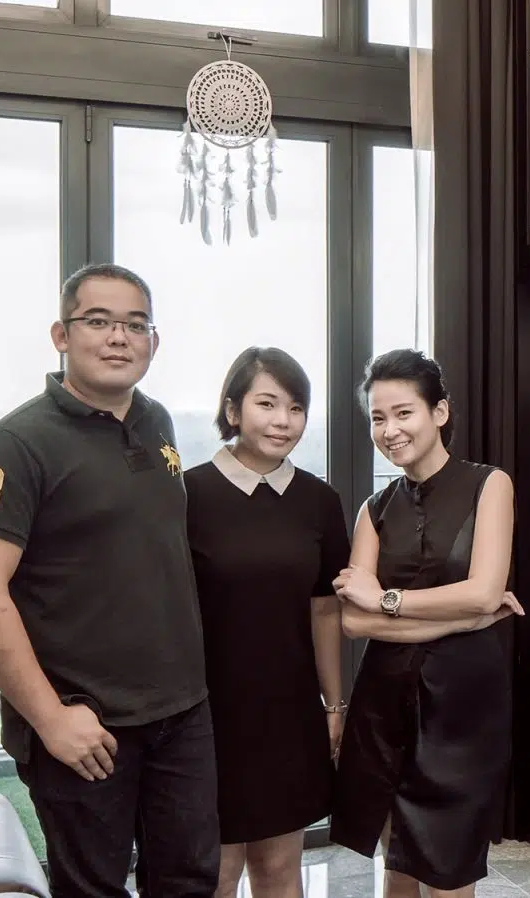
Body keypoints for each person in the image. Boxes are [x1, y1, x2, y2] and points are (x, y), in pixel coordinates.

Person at [0, 262, 218, 898]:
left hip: (181, 714)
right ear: (61, 335)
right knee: (92, 889)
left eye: (135, 324)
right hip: (83, 725)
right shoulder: (15, 444)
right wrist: (50, 719)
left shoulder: (156, 421)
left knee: (190, 882)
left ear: (154, 341)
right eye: (98, 321)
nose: (119, 337)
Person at [329, 349, 523, 898]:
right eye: (378, 418)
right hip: (383, 703)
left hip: (462, 708)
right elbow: (352, 621)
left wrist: (386, 600)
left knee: (448, 872)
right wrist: (464, 619)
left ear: (439, 412)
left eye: (403, 413)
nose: (389, 430)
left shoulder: (490, 485)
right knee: (396, 864)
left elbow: (483, 591)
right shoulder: (374, 508)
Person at [183, 347, 348, 898]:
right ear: (233, 410)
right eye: (267, 404)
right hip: (205, 716)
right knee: (214, 873)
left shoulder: (320, 501)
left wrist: (334, 705)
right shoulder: (187, 494)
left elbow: (324, 608)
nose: (284, 421)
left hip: (288, 713)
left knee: (280, 869)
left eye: (296, 408)